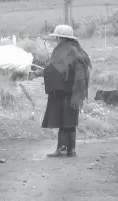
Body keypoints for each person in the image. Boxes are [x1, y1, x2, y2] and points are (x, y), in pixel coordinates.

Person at [32, 25, 92, 157]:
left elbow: (55, 70)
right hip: (75, 92)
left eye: (57, 38)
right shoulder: (78, 50)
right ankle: (71, 149)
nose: (56, 41)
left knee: (63, 120)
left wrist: (40, 72)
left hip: (63, 91)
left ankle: (61, 148)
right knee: (70, 120)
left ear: (60, 38)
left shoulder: (62, 51)